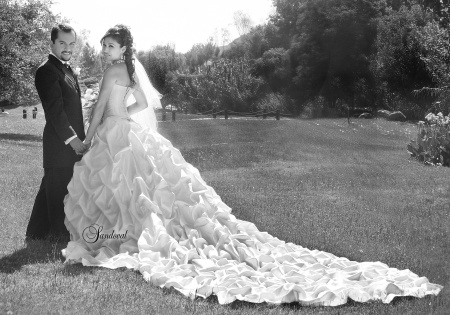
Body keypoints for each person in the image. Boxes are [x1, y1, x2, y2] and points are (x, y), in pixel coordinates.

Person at [62, 25, 443, 306]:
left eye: (110, 46)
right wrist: (123, 115)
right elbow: (143, 105)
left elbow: (96, 112)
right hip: (128, 130)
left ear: (123, 47)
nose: (105, 51)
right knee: (143, 187)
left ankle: (114, 235)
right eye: (104, 46)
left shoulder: (112, 72)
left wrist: (90, 136)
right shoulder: (127, 71)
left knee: (123, 188)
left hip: (114, 134)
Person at [26, 24, 88, 242]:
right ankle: (58, 235)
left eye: (71, 43)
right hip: (60, 143)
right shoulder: (47, 70)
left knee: (50, 187)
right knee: (57, 189)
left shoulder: (66, 69)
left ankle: (36, 232)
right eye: (62, 42)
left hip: (65, 143)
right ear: (52, 43)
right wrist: (73, 140)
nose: (67, 47)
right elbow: (55, 112)